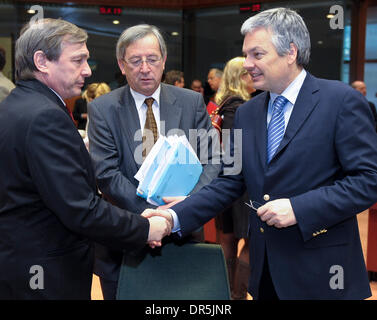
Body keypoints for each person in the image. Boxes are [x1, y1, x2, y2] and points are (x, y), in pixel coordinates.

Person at [145, 8, 377, 300]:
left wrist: (299, 209)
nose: (248, 65)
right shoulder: (247, 113)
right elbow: (229, 182)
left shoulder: (341, 102)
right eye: (246, 55)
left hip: (325, 275)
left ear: (290, 52)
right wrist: (172, 218)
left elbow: (368, 180)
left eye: (257, 54)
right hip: (266, 272)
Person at [0, 18, 171, 300]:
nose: (87, 70)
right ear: (42, 61)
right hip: (44, 274)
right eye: (78, 60)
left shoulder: (16, 105)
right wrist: (146, 228)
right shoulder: (45, 116)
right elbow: (80, 209)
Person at [87, 24, 221, 300]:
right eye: (135, 61)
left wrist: (178, 212)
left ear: (163, 60)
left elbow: (212, 161)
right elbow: (106, 173)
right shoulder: (103, 109)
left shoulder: (191, 102)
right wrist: (152, 218)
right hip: (125, 237)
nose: (145, 68)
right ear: (122, 65)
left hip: (184, 232)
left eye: (152, 59)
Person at [213, 56, 255, 300]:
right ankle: (236, 296)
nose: (254, 75)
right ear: (241, 77)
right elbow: (238, 148)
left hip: (223, 181)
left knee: (226, 239)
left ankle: (226, 294)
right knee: (250, 243)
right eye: (249, 72)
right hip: (242, 184)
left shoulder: (222, 104)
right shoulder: (241, 107)